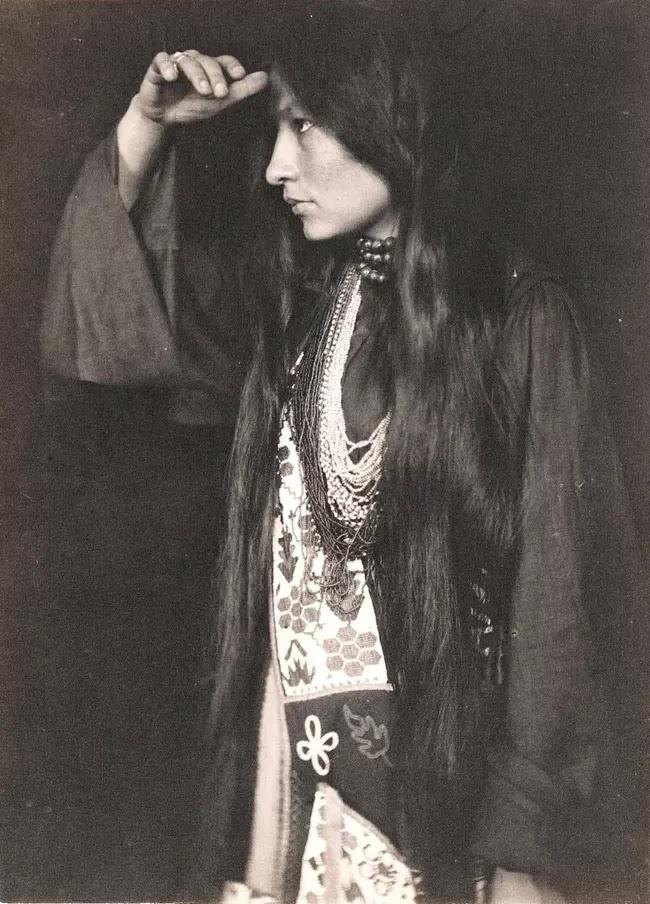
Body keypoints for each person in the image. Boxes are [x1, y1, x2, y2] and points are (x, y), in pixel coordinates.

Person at [42, 4, 630, 902]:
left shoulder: (517, 323)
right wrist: (145, 128)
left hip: (447, 825)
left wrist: (526, 863)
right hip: (297, 816)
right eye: (276, 127)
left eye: (304, 123)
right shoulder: (291, 318)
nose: (277, 165)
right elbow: (115, 336)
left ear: (389, 114)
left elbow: (560, 612)